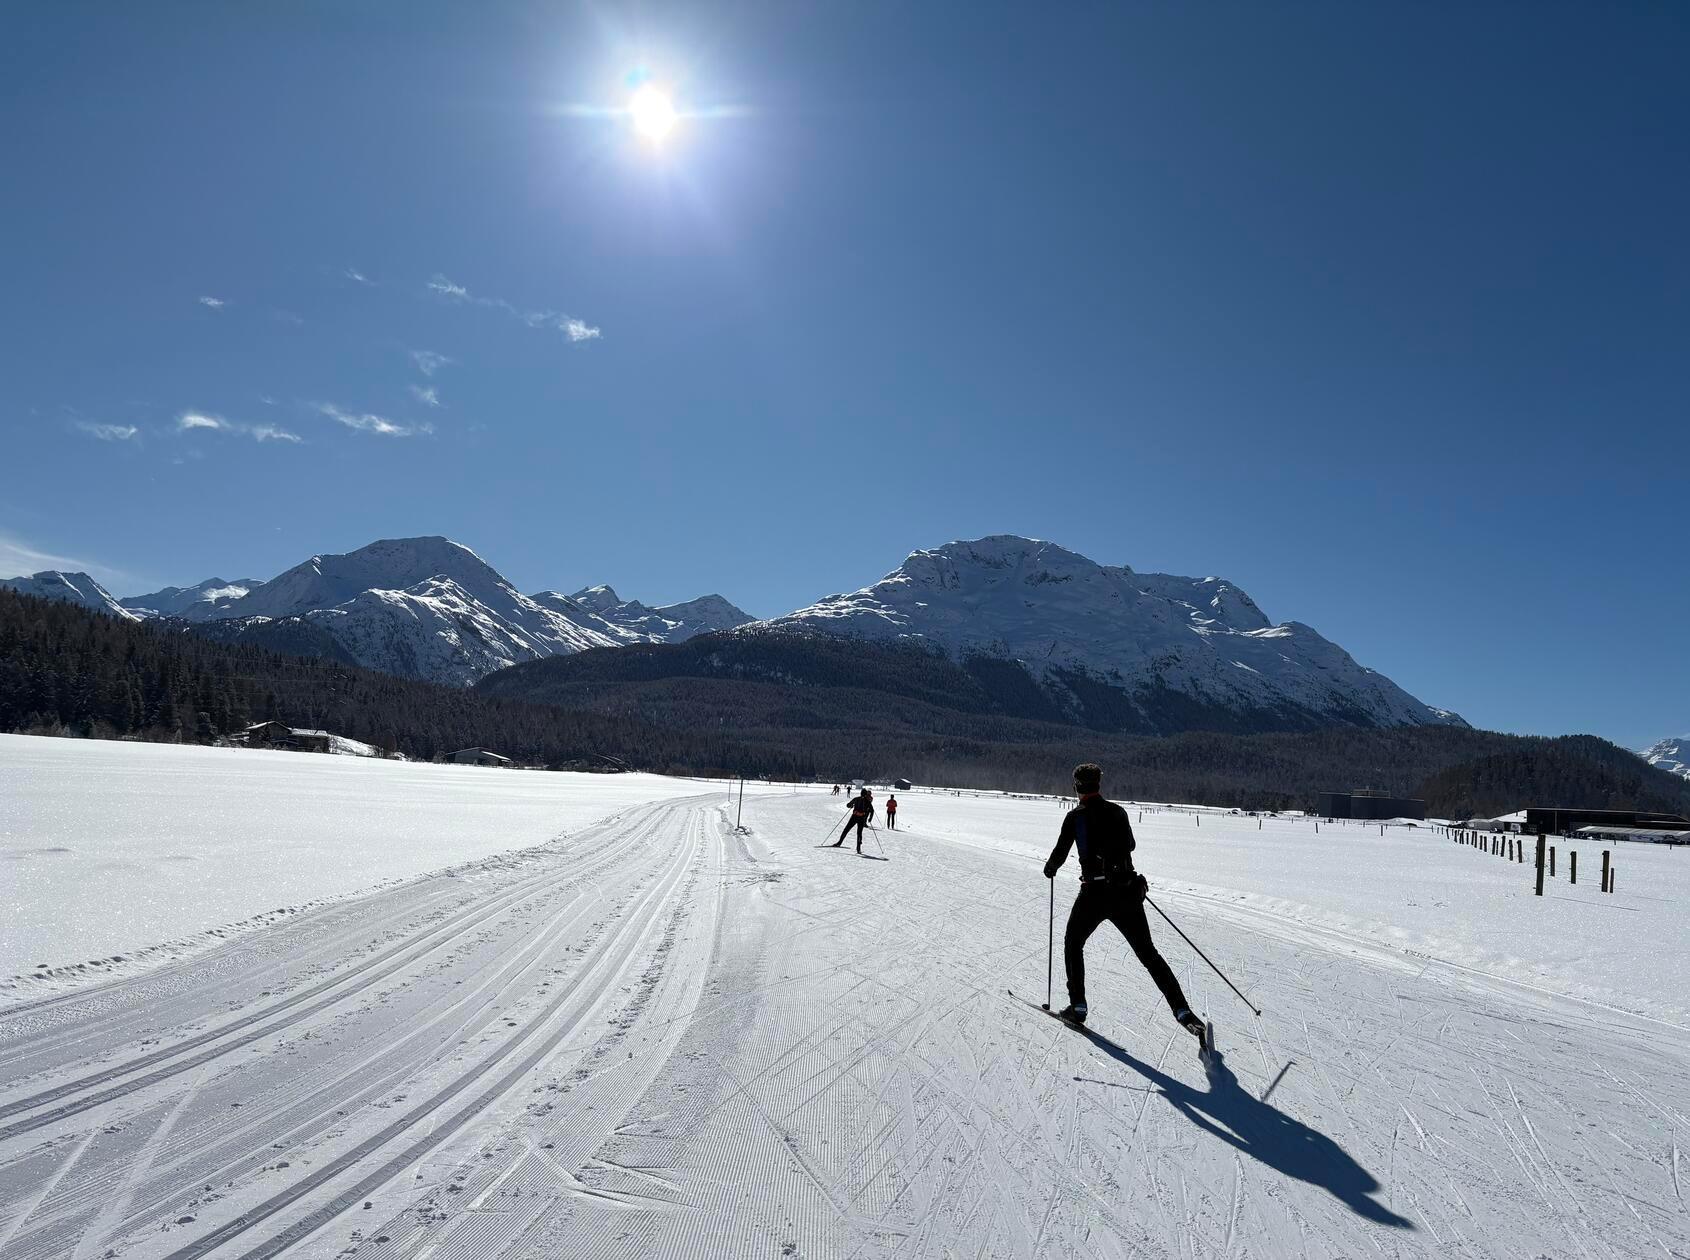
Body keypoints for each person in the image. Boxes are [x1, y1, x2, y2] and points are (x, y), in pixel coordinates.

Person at [1043, 762, 1205, 1041]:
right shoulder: (1118, 812)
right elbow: (1129, 845)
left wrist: (1051, 868)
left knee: (1073, 943)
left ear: (1076, 787)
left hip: (1093, 894)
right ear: (1098, 785)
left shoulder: (1075, 818)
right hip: (1126, 892)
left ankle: (1078, 1006)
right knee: (1149, 955)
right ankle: (1182, 1011)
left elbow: (1060, 852)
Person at [831, 787, 875, 851]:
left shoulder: (856, 799)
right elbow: (872, 810)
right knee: (859, 833)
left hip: (854, 817)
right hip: (861, 818)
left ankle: (839, 842)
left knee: (846, 829)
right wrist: (870, 818)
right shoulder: (867, 801)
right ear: (865, 794)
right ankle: (858, 848)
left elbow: (848, 805)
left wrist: (851, 806)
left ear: (860, 793)